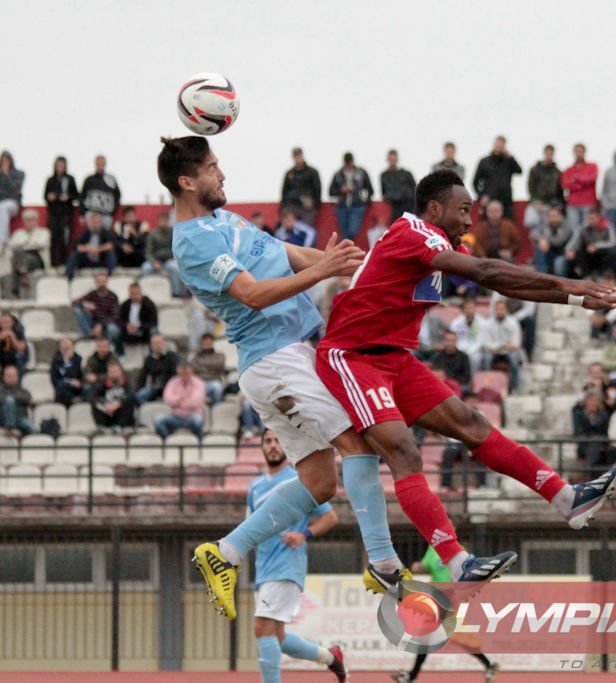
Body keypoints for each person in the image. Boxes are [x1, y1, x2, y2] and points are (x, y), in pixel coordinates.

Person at [314, 168, 616, 586]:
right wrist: (569, 282)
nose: (469, 221)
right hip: (351, 357)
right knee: (404, 452)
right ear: (434, 208)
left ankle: (567, 498)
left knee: (472, 425)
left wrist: (573, 296)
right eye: (463, 210)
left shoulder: (432, 242)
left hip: (392, 358)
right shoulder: (415, 233)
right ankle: (455, 562)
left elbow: (503, 283)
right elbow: (486, 271)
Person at [161, 136, 411, 621]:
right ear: (187, 182)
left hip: (285, 358)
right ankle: (383, 562)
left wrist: (352, 267)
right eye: (213, 168)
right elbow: (252, 294)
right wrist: (325, 274)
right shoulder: (192, 241)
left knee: (319, 483)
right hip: (277, 359)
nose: (223, 175)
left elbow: (284, 253)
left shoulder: (223, 219)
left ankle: (226, 552)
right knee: (359, 445)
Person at [244, 429, 346, 683]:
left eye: (278, 440)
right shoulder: (254, 486)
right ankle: (330, 657)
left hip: (286, 563)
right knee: (277, 637)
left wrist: (304, 535)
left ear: (286, 446)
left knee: (261, 628)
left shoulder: (299, 481)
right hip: (264, 568)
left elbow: (330, 516)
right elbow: (250, 526)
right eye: (267, 441)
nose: (272, 446)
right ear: (261, 448)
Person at [394, 545, 500, 683]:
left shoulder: (456, 549)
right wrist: (419, 567)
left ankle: (411, 677)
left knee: (441, 636)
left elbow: (465, 572)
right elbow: (427, 566)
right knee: (440, 636)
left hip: (449, 597)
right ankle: (489, 664)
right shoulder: (432, 549)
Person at [437, 392, 490, 489]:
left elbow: (483, 432)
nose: (474, 404)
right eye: (471, 401)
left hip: (474, 444)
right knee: (448, 453)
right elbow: (451, 433)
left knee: (483, 455)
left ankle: (482, 484)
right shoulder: (455, 414)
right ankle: (446, 484)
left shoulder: (480, 415)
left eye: (475, 401)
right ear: (464, 401)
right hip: (458, 444)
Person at [473, 136, 522, 220]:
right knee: (485, 226)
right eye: (498, 144)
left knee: (509, 226)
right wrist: (481, 196)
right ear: (494, 144)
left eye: (502, 145)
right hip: (489, 199)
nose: (499, 147)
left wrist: (511, 157)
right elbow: (475, 182)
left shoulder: (508, 161)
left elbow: (519, 171)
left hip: (506, 201)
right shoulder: (484, 162)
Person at [478, 300, 523, 390]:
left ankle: (513, 388)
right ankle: (487, 386)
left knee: (514, 357)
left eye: (502, 309)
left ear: (506, 310)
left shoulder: (513, 323)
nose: (500, 311)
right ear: (494, 310)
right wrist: (497, 348)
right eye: (498, 309)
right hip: (492, 351)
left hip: (509, 351)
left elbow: (516, 345)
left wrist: (504, 347)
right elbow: (485, 343)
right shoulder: (487, 324)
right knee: (486, 358)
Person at [154, 362, 206, 440]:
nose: (185, 375)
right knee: (158, 420)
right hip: (175, 416)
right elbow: (167, 399)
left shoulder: (199, 383)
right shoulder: (173, 382)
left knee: (198, 420)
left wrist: (178, 402)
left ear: (191, 372)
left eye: (187, 373)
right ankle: (168, 442)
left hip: (192, 416)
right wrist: (181, 399)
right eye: (182, 373)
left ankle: (199, 444)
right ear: (179, 373)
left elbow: (196, 401)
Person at [7, 208, 51, 297]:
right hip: (20, 257)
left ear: (36, 221)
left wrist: (24, 245)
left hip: (37, 259)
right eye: (27, 220)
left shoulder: (44, 232)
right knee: (18, 254)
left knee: (21, 256)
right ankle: (23, 274)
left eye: (32, 220)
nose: (30, 222)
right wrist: (28, 244)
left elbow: (41, 244)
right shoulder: (18, 233)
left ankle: (15, 293)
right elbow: (11, 245)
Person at [44, 156, 79, 266]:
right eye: (58, 166)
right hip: (53, 213)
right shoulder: (51, 180)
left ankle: (64, 263)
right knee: (53, 239)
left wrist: (68, 197)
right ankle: (53, 264)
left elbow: (77, 196)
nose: (60, 168)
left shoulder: (70, 179)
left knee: (65, 239)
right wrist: (50, 197)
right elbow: (45, 196)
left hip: (66, 213)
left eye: (62, 166)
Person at [329, 152, 373, 241]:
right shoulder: (338, 174)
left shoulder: (361, 173)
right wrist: (341, 190)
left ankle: (345, 250)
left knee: (352, 231)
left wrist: (365, 203)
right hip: (342, 207)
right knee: (344, 233)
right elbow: (331, 192)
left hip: (357, 206)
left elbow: (370, 189)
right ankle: (346, 252)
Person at [566, 207, 616, 278]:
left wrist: (596, 246)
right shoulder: (583, 228)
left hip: (602, 254)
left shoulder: (608, 227)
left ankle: (605, 277)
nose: (591, 221)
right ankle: (584, 277)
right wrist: (569, 250)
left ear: (599, 218)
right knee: (577, 254)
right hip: (588, 255)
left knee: (611, 253)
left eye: (593, 218)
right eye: (589, 218)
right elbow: (574, 240)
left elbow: (614, 242)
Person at [142, 211, 183, 297]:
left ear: (168, 221)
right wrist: (154, 262)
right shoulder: (152, 234)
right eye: (162, 220)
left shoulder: (173, 232)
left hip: (168, 260)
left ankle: (177, 293)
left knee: (175, 268)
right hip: (155, 261)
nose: (163, 223)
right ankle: (146, 293)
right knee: (145, 268)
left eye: (165, 220)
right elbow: (148, 252)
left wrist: (173, 257)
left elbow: (177, 248)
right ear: (158, 221)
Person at [66, 212, 117, 279]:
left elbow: (111, 245)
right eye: (93, 222)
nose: (95, 224)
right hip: (87, 260)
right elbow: (76, 247)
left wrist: (98, 249)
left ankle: (111, 275)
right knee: (74, 255)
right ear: (90, 223)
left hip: (101, 260)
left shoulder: (105, 232)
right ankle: (68, 276)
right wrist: (87, 248)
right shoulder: (86, 233)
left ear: (101, 223)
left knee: (110, 253)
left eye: (97, 222)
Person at [72, 272, 121, 342]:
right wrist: (84, 304)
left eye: (103, 281)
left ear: (107, 282)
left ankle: (109, 345)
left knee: (113, 328)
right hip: (93, 322)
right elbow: (74, 302)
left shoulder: (113, 297)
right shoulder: (92, 294)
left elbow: (115, 316)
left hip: (106, 324)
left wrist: (101, 325)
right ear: (96, 283)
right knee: (77, 309)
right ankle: (90, 334)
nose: (101, 284)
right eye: (99, 282)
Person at [0, 151, 24, 253]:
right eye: (3, 161)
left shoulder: (19, 174)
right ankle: (5, 242)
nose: (5, 163)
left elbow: (16, 187)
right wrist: (10, 192)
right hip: (0, 204)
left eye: (7, 161)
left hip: (13, 203)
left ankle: (1, 242)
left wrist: (7, 175)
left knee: (2, 208)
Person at [280, 147, 322, 226]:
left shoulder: (312, 172)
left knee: (305, 229)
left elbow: (317, 189)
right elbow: (284, 191)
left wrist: (316, 206)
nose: (298, 158)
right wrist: (283, 206)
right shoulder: (289, 173)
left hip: (306, 207)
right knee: (288, 229)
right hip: (291, 205)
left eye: (299, 155)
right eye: (296, 156)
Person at [572, 390, 611, 475]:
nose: (593, 403)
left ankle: (587, 468)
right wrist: (590, 438)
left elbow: (606, 432)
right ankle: (589, 469)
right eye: (590, 400)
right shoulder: (579, 415)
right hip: (585, 445)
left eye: (595, 400)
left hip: (601, 445)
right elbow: (578, 432)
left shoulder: (604, 415)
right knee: (593, 445)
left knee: (597, 443)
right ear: (586, 402)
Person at [529, 204, 572, 277]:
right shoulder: (545, 225)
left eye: (554, 216)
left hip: (562, 254)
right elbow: (532, 234)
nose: (552, 219)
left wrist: (545, 240)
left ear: (561, 217)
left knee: (559, 262)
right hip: (548, 253)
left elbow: (559, 241)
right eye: (550, 216)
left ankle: (560, 285)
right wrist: (541, 239)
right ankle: (542, 275)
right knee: (539, 246)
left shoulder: (567, 227)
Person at [91, 361, 135, 432]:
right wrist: (103, 408)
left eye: (115, 372)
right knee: (95, 405)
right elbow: (93, 397)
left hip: (121, 414)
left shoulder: (127, 383)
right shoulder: (103, 384)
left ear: (120, 372)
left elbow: (131, 395)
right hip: (107, 413)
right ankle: (101, 427)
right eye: (110, 372)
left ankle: (119, 426)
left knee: (130, 401)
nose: (113, 374)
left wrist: (117, 405)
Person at [561, 143, 598, 228]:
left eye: (580, 151)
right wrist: (583, 185)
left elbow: (592, 179)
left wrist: (576, 179)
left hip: (589, 203)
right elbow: (565, 184)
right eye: (577, 151)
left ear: (584, 152)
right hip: (573, 204)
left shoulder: (592, 166)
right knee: (574, 229)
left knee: (588, 229)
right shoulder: (568, 170)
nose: (578, 153)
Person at [135, 333, 179, 405]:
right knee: (139, 395)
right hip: (155, 387)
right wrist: (137, 389)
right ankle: (148, 411)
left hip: (169, 386)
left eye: (159, 342)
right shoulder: (148, 359)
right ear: (151, 345)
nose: (158, 345)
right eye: (155, 343)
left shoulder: (171, 356)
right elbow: (142, 377)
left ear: (163, 343)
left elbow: (175, 374)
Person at [80, 155, 121, 227]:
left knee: (104, 235)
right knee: (92, 233)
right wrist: (82, 214)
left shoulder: (111, 180)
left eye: (102, 163)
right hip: (91, 213)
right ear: (95, 164)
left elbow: (117, 196)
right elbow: (82, 196)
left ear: (105, 164)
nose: (100, 165)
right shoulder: (89, 179)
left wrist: (112, 212)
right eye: (98, 163)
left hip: (106, 214)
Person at [117, 283, 158, 354]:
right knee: (115, 332)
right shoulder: (125, 305)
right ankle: (121, 355)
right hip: (128, 331)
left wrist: (139, 328)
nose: (135, 295)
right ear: (129, 294)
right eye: (133, 293)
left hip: (144, 330)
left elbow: (153, 322)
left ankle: (152, 355)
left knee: (154, 332)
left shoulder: (149, 304)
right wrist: (127, 326)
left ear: (141, 292)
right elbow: (119, 319)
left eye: (137, 293)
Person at [0, 365, 34, 435]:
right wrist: (15, 399)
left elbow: (27, 398)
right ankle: (9, 428)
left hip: (20, 418)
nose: (11, 378)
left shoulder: (23, 390)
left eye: (13, 376)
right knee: (9, 401)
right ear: (4, 377)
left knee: (33, 429)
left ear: (17, 377)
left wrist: (11, 397)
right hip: (4, 419)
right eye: (9, 376)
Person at [449, 298, 485, 377]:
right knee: (457, 357)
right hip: (459, 349)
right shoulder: (456, 322)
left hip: (475, 350)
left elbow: (480, 341)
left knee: (476, 358)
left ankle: (473, 379)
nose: (469, 310)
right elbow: (453, 338)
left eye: (471, 308)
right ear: (463, 309)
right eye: (467, 308)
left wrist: (469, 351)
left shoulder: (482, 322)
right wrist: (461, 350)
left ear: (475, 308)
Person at [191, 333, 227, 405]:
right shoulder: (196, 356)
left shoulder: (219, 355)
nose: (207, 342)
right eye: (205, 340)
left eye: (209, 340)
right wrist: (211, 369)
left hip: (214, 381)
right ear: (201, 342)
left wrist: (203, 368)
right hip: (199, 382)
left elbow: (219, 365)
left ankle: (215, 410)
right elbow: (193, 367)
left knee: (217, 388)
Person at [380, 150, 416, 222]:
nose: (392, 162)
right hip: (393, 207)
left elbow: (414, 189)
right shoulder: (384, 176)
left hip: (408, 206)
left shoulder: (406, 174)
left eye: (394, 159)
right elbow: (384, 192)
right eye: (391, 159)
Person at [81, 337, 117, 402]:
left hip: (108, 384)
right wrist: (89, 376)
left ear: (109, 347)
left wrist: (97, 378)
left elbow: (114, 375)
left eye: (105, 347)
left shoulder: (113, 359)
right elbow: (86, 372)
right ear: (97, 347)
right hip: (94, 384)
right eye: (101, 347)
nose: (103, 349)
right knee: (87, 387)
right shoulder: (91, 358)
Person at [50, 337, 84, 407]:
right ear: (60, 349)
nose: (66, 351)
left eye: (68, 348)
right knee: (62, 387)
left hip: (75, 388)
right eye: (64, 349)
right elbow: (54, 379)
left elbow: (76, 375)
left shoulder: (78, 359)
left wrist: (67, 364)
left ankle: (60, 408)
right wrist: (69, 381)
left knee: (64, 388)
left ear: (73, 348)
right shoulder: (56, 360)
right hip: (61, 387)